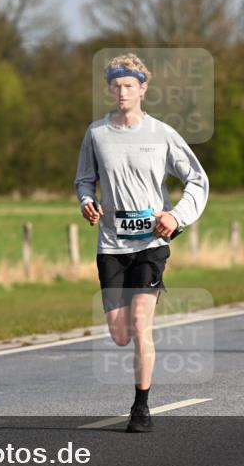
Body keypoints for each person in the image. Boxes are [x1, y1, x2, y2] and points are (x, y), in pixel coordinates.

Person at [74, 53, 209, 432]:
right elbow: (84, 179)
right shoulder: (97, 134)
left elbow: (197, 179)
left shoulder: (162, 133)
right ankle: (137, 379)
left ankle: (141, 408)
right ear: (108, 88)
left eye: (129, 86)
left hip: (151, 243)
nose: (122, 92)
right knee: (120, 335)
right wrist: (87, 202)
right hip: (112, 246)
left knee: (140, 323)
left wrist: (176, 216)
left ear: (143, 89)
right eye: (116, 85)